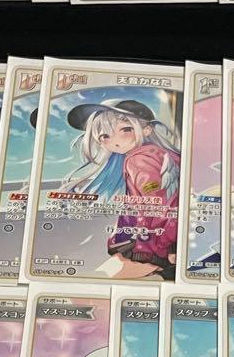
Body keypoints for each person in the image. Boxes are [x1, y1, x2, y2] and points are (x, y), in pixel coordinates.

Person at [61, 98, 181, 281]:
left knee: (95, 283)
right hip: (153, 242)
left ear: (147, 129)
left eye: (126, 130)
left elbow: (162, 205)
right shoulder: (157, 154)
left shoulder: (140, 160)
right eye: (105, 136)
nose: (115, 141)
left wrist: (168, 246)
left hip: (153, 247)